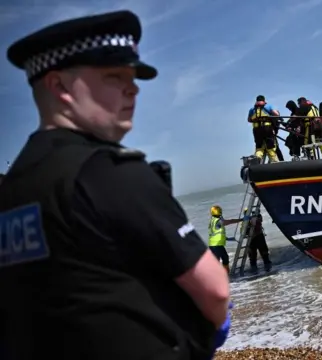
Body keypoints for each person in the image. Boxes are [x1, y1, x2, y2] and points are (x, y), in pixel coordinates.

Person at [0, 10, 231, 360]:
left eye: (133, 76)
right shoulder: (110, 172)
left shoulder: (13, 189)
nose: (133, 88)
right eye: (114, 76)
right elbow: (214, 290)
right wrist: (209, 331)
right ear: (59, 85)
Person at [208, 205, 249, 273]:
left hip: (214, 244)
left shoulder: (213, 220)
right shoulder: (217, 221)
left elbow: (214, 233)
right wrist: (242, 219)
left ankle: (223, 275)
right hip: (216, 245)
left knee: (223, 259)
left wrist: (227, 238)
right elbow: (229, 222)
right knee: (222, 259)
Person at [248, 95, 280, 162]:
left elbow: (249, 120)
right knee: (270, 146)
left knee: (259, 147)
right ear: (264, 101)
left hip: (256, 129)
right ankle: (274, 162)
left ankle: (257, 159)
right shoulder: (268, 106)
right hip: (267, 128)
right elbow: (276, 114)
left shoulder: (252, 109)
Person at [242, 208, 272, 273]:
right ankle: (254, 271)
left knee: (264, 253)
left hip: (258, 237)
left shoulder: (257, 217)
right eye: (246, 212)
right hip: (251, 239)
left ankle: (268, 268)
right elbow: (243, 232)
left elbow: (260, 219)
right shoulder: (244, 221)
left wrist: (255, 216)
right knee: (252, 256)